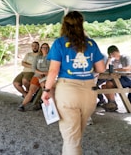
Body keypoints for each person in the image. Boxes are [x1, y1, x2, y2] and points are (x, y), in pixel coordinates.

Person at [41, 11, 105, 155]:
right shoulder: (91, 43)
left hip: (67, 91)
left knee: (71, 139)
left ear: (64, 25)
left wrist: (46, 91)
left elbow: (53, 71)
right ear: (81, 24)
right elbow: (101, 68)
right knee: (74, 137)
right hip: (89, 92)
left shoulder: (59, 43)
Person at [18, 43, 50, 112]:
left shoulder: (51, 58)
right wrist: (40, 73)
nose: (45, 49)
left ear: (48, 49)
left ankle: (42, 104)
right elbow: (33, 68)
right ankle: (23, 105)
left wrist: (44, 74)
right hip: (37, 75)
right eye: (43, 48)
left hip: (46, 76)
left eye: (46, 48)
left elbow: (52, 70)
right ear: (41, 49)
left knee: (44, 86)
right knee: (31, 91)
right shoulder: (38, 57)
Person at [100, 45, 131, 111]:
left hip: (128, 79)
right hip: (120, 78)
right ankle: (112, 103)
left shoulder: (125, 57)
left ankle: (112, 103)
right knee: (104, 87)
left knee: (109, 83)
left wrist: (116, 69)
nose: (113, 55)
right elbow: (106, 69)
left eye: (114, 53)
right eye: (111, 54)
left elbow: (128, 68)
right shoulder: (114, 61)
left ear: (118, 52)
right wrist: (108, 60)